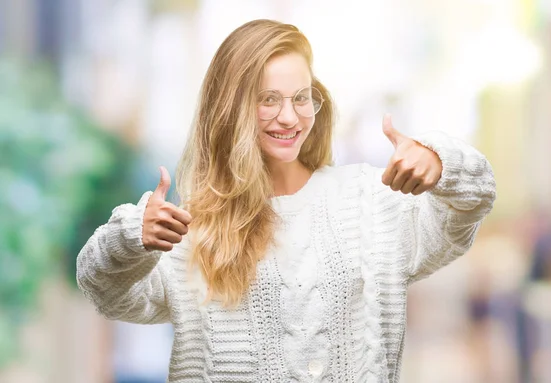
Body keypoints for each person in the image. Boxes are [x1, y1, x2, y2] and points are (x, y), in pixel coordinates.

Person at [77, 19, 496, 382]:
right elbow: (107, 293)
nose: (290, 117)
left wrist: (441, 161)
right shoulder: (190, 230)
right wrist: (131, 238)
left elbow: (463, 213)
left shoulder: (371, 202)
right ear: (230, 109)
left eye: (300, 97)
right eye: (268, 100)